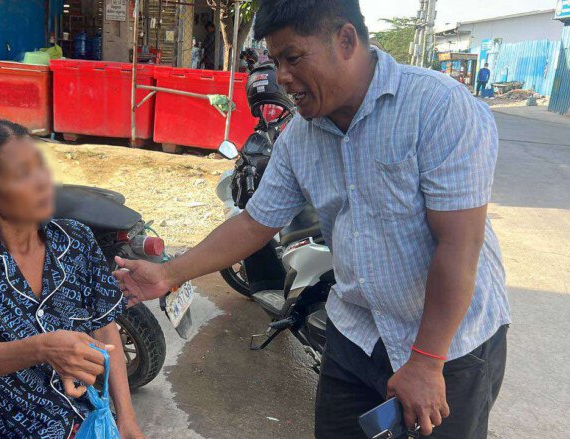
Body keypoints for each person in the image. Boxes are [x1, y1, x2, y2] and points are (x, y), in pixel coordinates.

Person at [114, 0, 509, 438]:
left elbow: (459, 244)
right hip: (357, 332)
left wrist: (427, 361)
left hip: (448, 344)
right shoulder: (299, 137)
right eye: (275, 61)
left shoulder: (438, 107)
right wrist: (168, 273)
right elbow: (254, 223)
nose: (282, 76)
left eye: (293, 57)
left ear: (345, 40)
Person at [0, 118, 144, 439]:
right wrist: (41, 348)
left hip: (80, 415)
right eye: (23, 174)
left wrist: (126, 420)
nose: (44, 182)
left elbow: (105, 326)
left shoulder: (76, 240)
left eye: (40, 166)